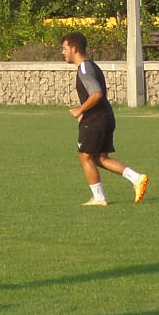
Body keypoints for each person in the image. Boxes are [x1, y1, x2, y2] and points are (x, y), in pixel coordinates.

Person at [59, 32, 148, 206]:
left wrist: (80, 110)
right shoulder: (90, 66)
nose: (62, 52)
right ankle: (136, 179)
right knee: (100, 158)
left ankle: (100, 197)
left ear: (74, 49)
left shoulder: (84, 68)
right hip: (104, 117)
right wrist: (84, 112)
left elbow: (96, 94)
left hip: (96, 120)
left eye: (64, 48)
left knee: (85, 156)